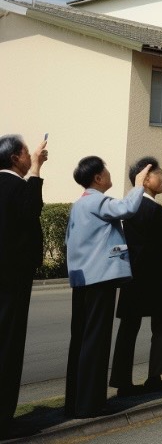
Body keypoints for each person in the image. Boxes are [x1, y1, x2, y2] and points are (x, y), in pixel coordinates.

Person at [64, 156, 149, 418]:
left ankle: (76, 401)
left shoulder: (79, 204)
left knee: (81, 338)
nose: (110, 174)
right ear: (98, 178)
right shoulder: (97, 200)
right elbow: (126, 208)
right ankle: (91, 404)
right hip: (100, 278)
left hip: (83, 279)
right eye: (106, 170)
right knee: (96, 341)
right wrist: (139, 184)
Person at [109, 157, 162, 396]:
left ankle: (122, 380)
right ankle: (155, 376)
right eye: (160, 174)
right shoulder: (152, 208)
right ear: (145, 178)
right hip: (157, 277)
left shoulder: (130, 206)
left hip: (133, 275)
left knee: (129, 328)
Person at [0, 134, 47, 437]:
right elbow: (31, 209)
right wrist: (38, 170)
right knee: (9, 343)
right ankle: (4, 419)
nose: (31, 156)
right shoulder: (16, 185)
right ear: (16, 157)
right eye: (27, 153)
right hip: (13, 277)